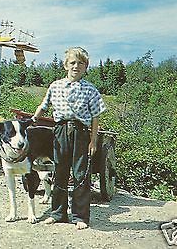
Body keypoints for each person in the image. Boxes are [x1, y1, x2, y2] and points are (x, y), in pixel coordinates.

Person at [31, 47, 106, 229]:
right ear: (66, 65)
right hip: (60, 132)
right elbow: (44, 106)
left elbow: (95, 117)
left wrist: (93, 141)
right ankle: (58, 214)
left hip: (81, 133)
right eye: (72, 62)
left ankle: (80, 217)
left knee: (81, 175)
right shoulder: (55, 86)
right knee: (60, 172)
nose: (76, 66)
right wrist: (33, 119)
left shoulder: (91, 90)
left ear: (86, 67)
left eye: (81, 63)